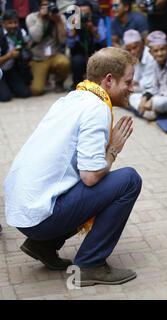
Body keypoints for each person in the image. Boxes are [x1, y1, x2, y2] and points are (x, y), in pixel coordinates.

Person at [3, 47, 142, 286]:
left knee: (94, 183)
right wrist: (113, 150)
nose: (132, 88)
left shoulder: (71, 98)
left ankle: (43, 246)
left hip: (22, 212)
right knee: (129, 180)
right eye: (128, 82)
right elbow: (89, 176)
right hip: (38, 218)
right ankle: (90, 264)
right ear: (108, 80)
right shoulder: (97, 108)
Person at [26, 0, 70, 95]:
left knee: (64, 62)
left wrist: (58, 22)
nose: (48, 8)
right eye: (45, 5)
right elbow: (36, 38)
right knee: (36, 90)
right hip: (38, 58)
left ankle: (59, 82)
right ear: (39, 7)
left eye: (50, 5)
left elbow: (63, 41)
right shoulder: (31, 18)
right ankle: (42, 77)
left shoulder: (59, 17)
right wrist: (41, 19)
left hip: (54, 55)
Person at [66, 0, 107, 90]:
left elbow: (102, 40)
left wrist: (92, 28)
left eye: (87, 14)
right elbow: (70, 44)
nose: (83, 16)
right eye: (81, 14)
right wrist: (73, 29)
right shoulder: (72, 21)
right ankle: (77, 84)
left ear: (91, 13)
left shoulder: (98, 20)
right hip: (80, 52)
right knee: (76, 61)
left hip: (95, 52)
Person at [0, 9, 33, 101]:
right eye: (10, 23)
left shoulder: (21, 32)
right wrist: (9, 56)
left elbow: (29, 54)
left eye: (15, 22)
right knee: (5, 97)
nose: (13, 25)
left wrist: (27, 48)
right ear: (3, 23)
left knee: (26, 93)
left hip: (11, 69)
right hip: (0, 70)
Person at [123, 28, 155, 104]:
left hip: (151, 89)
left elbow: (147, 84)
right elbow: (134, 79)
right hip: (140, 89)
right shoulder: (134, 57)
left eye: (134, 48)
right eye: (129, 50)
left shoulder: (150, 56)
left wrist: (132, 83)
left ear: (143, 44)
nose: (132, 52)